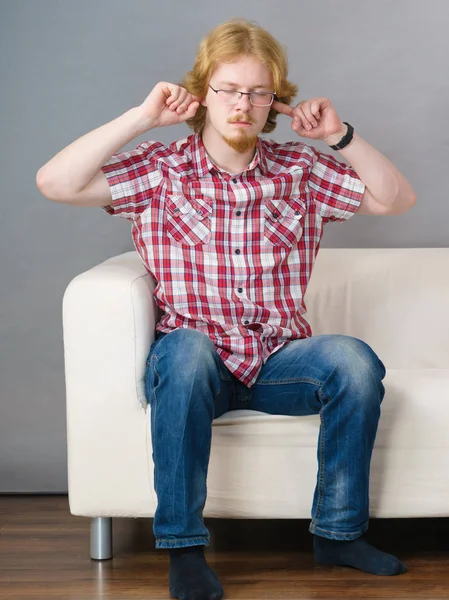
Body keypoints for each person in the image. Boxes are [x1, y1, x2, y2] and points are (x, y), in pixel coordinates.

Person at [37, 18, 415, 600]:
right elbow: (55, 181)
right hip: (198, 369)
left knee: (354, 362)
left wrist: (340, 136)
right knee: (185, 349)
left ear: (275, 103)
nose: (243, 104)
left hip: (277, 364)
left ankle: (338, 534)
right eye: (229, 89)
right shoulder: (162, 171)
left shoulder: (301, 171)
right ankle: (185, 548)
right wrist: (142, 118)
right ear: (203, 94)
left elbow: (396, 200)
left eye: (258, 93)